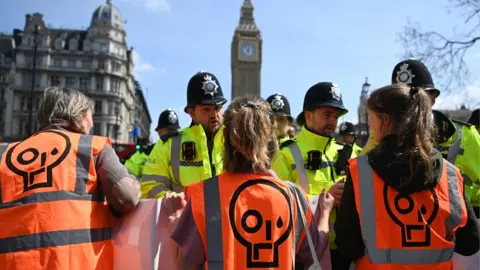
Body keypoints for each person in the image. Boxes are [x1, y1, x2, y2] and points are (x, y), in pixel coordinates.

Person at [164, 95, 334, 269]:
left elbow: (183, 265)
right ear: (270, 137)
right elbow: (315, 250)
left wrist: (174, 217)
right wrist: (325, 213)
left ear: (224, 136)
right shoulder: (294, 197)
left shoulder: (204, 196)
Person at [335, 84, 479, 269]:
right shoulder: (450, 174)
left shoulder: (360, 172)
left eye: (371, 117)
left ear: (385, 121)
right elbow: (470, 244)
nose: (369, 124)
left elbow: (348, 245)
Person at [0, 87, 140, 270]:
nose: (91, 125)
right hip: (76, 264)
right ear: (80, 116)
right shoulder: (91, 147)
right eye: (91, 117)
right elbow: (127, 197)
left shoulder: (5, 153)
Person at [272, 82, 357, 269]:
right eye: (327, 114)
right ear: (307, 116)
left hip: (348, 252)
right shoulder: (285, 155)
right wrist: (323, 199)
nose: (333, 121)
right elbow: (278, 206)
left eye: (336, 116)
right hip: (306, 252)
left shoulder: (351, 152)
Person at [392, 59, 480, 219]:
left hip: (453, 233)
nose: (410, 105)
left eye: (417, 97)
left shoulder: (465, 136)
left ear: (433, 99)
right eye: (402, 99)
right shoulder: (382, 138)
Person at [140, 71, 227, 199]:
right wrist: (174, 202)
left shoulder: (236, 140)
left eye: (218, 108)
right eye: (206, 109)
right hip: (185, 218)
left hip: (228, 218)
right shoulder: (168, 144)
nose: (214, 114)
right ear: (191, 112)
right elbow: (149, 185)